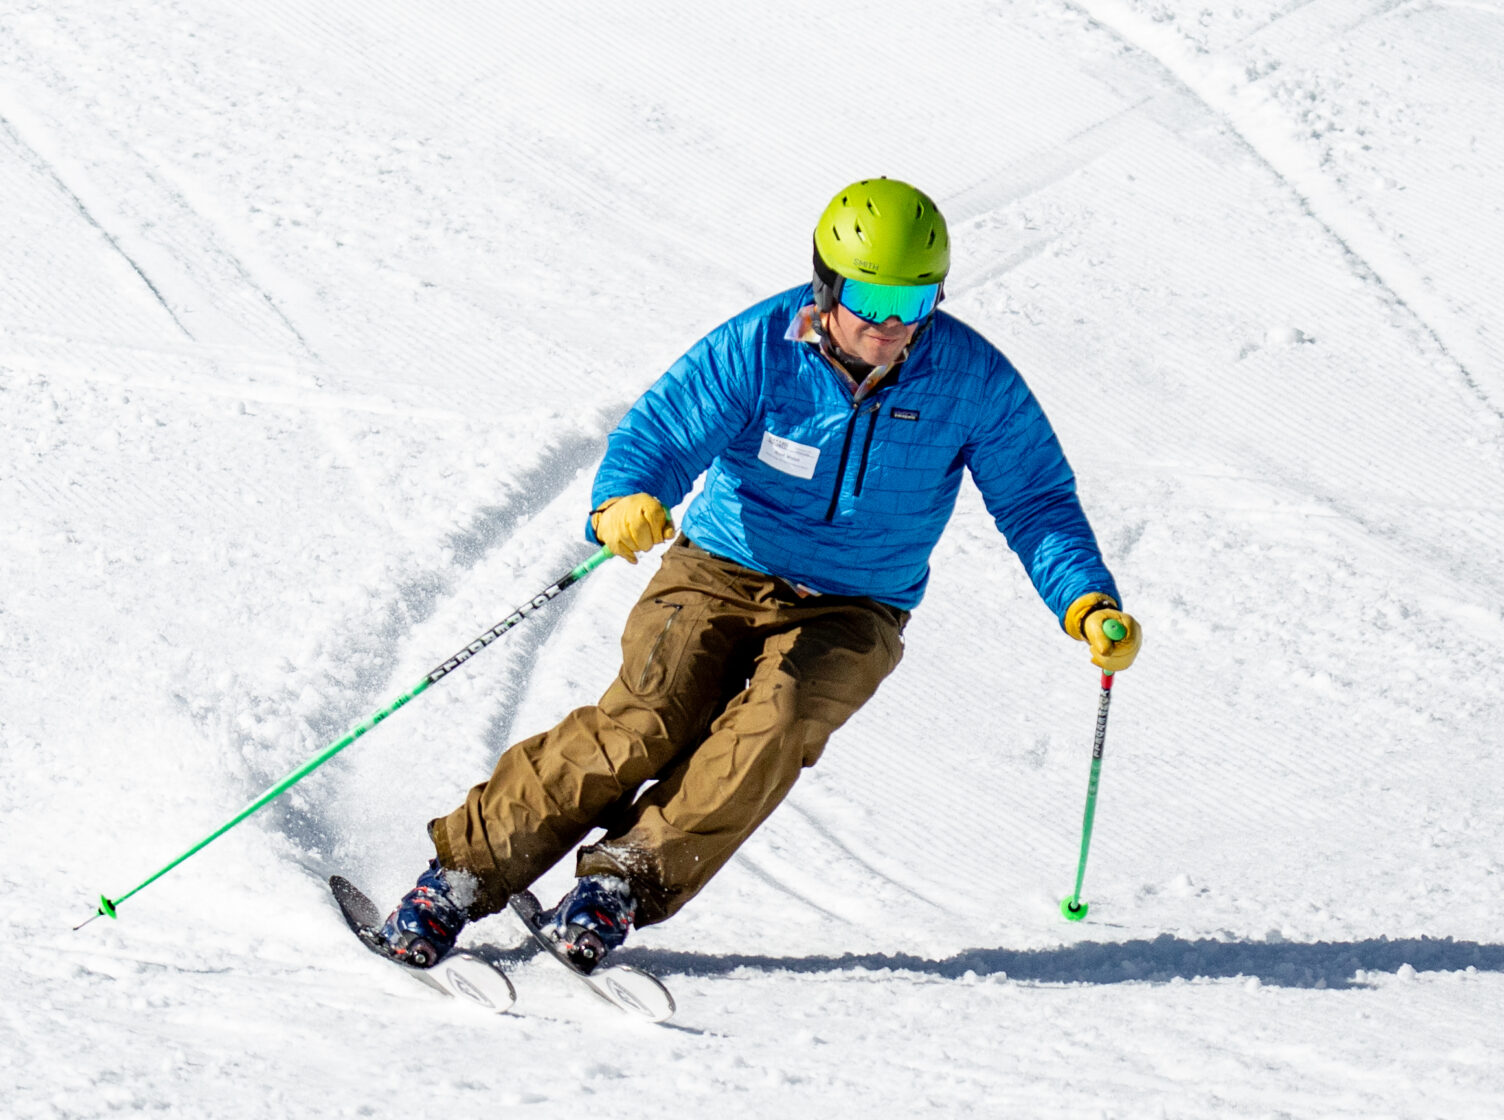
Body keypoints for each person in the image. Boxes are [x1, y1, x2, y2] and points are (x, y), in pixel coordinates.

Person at [379, 178, 1142, 970]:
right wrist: (626, 500)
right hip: (721, 568)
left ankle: (619, 885)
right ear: (828, 284)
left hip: (858, 604)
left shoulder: (973, 380)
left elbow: (1037, 501)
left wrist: (1087, 602)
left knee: (775, 725)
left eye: (914, 303)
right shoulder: (763, 345)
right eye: (872, 297)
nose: (890, 325)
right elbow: (662, 430)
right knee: (647, 721)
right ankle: (458, 879)